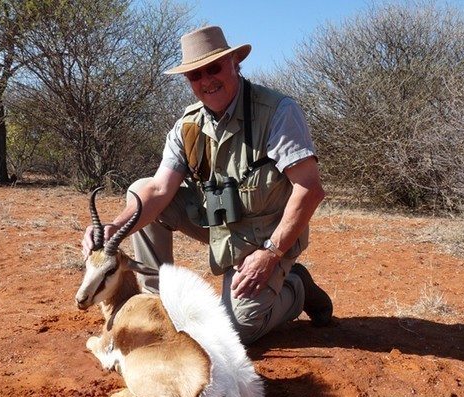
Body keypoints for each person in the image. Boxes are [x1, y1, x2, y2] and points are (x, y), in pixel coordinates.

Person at [82, 25, 333, 344]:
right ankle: (161, 307)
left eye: (213, 68)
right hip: (218, 222)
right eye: (194, 75)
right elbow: (159, 190)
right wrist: (112, 229)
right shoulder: (187, 126)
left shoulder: (278, 112)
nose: (206, 81)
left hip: (265, 236)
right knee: (141, 191)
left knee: (239, 329)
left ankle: (295, 287)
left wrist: (270, 253)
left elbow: (309, 189)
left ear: (234, 64)